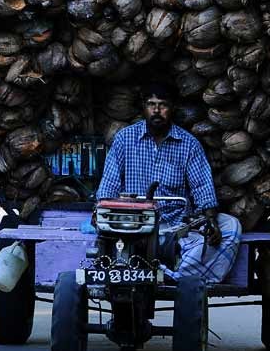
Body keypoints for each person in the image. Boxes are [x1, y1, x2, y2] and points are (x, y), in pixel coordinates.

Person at [96, 81, 242, 283]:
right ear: (143, 107)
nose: (156, 111)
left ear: (172, 108)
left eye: (162, 105)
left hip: (175, 228)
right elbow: (109, 183)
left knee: (231, 226)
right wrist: (100, 211)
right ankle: (178, 276)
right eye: (151, 104)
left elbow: (201, 186)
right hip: (134, 226)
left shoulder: (189, 144)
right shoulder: (124, 139)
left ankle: (178, 275)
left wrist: (210, 219)